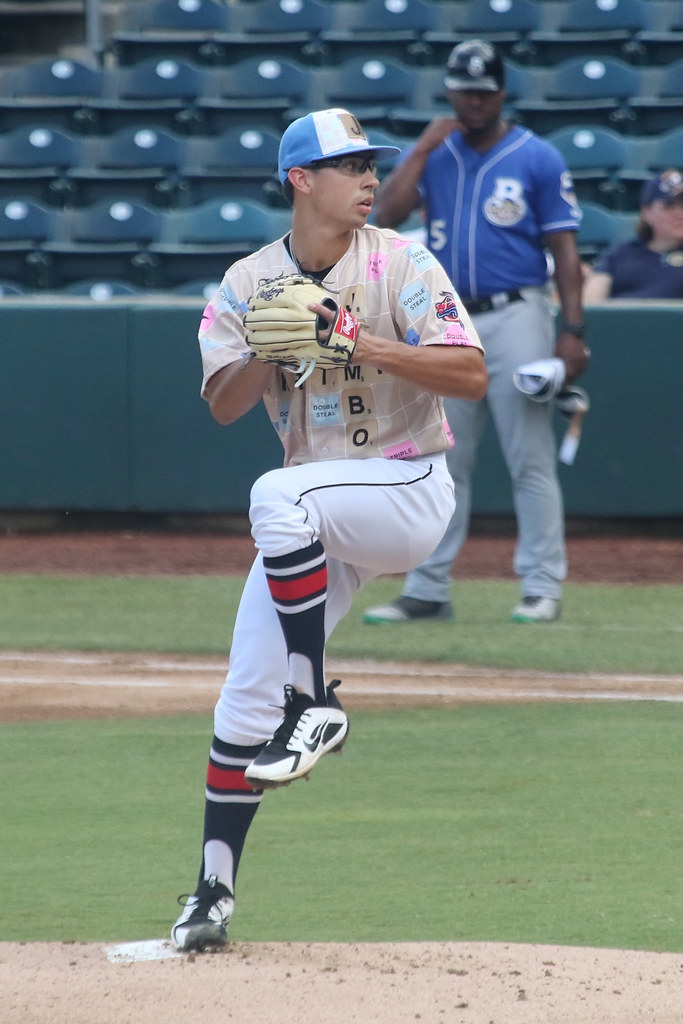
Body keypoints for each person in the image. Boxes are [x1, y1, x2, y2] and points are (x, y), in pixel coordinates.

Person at [171, 107, 487, 952]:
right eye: (347, 165)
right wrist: (274, 353)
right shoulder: (246, 283)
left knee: (277, 497)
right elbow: (223, 406)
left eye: (370, 164)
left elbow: (472, 373)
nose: (368, 178)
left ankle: (313, 705)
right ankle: (211, 894)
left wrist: (362, 341)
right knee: (242, 691)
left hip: (406, 486)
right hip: (324, 514)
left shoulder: (402, 263)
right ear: (299, 180)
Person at [362, 39, 589, 627]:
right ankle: (428, 588)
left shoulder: (537, 157)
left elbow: (564, 248)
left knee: (529, 458)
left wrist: (572, 330)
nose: (474, 101)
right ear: (449, 91)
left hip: (517, 312)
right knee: (441, 459)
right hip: (448, 318)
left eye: (484, 91)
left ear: (502, 92)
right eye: (464, 90)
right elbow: (384, 213)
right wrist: (421, 148)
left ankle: (542, 587)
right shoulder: (436, 152)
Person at [583, 169, 683, 302]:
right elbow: (591, 305)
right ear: (646, 212)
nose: (679, 214)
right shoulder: (620, 255)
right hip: (622, 320)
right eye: (669, 206)